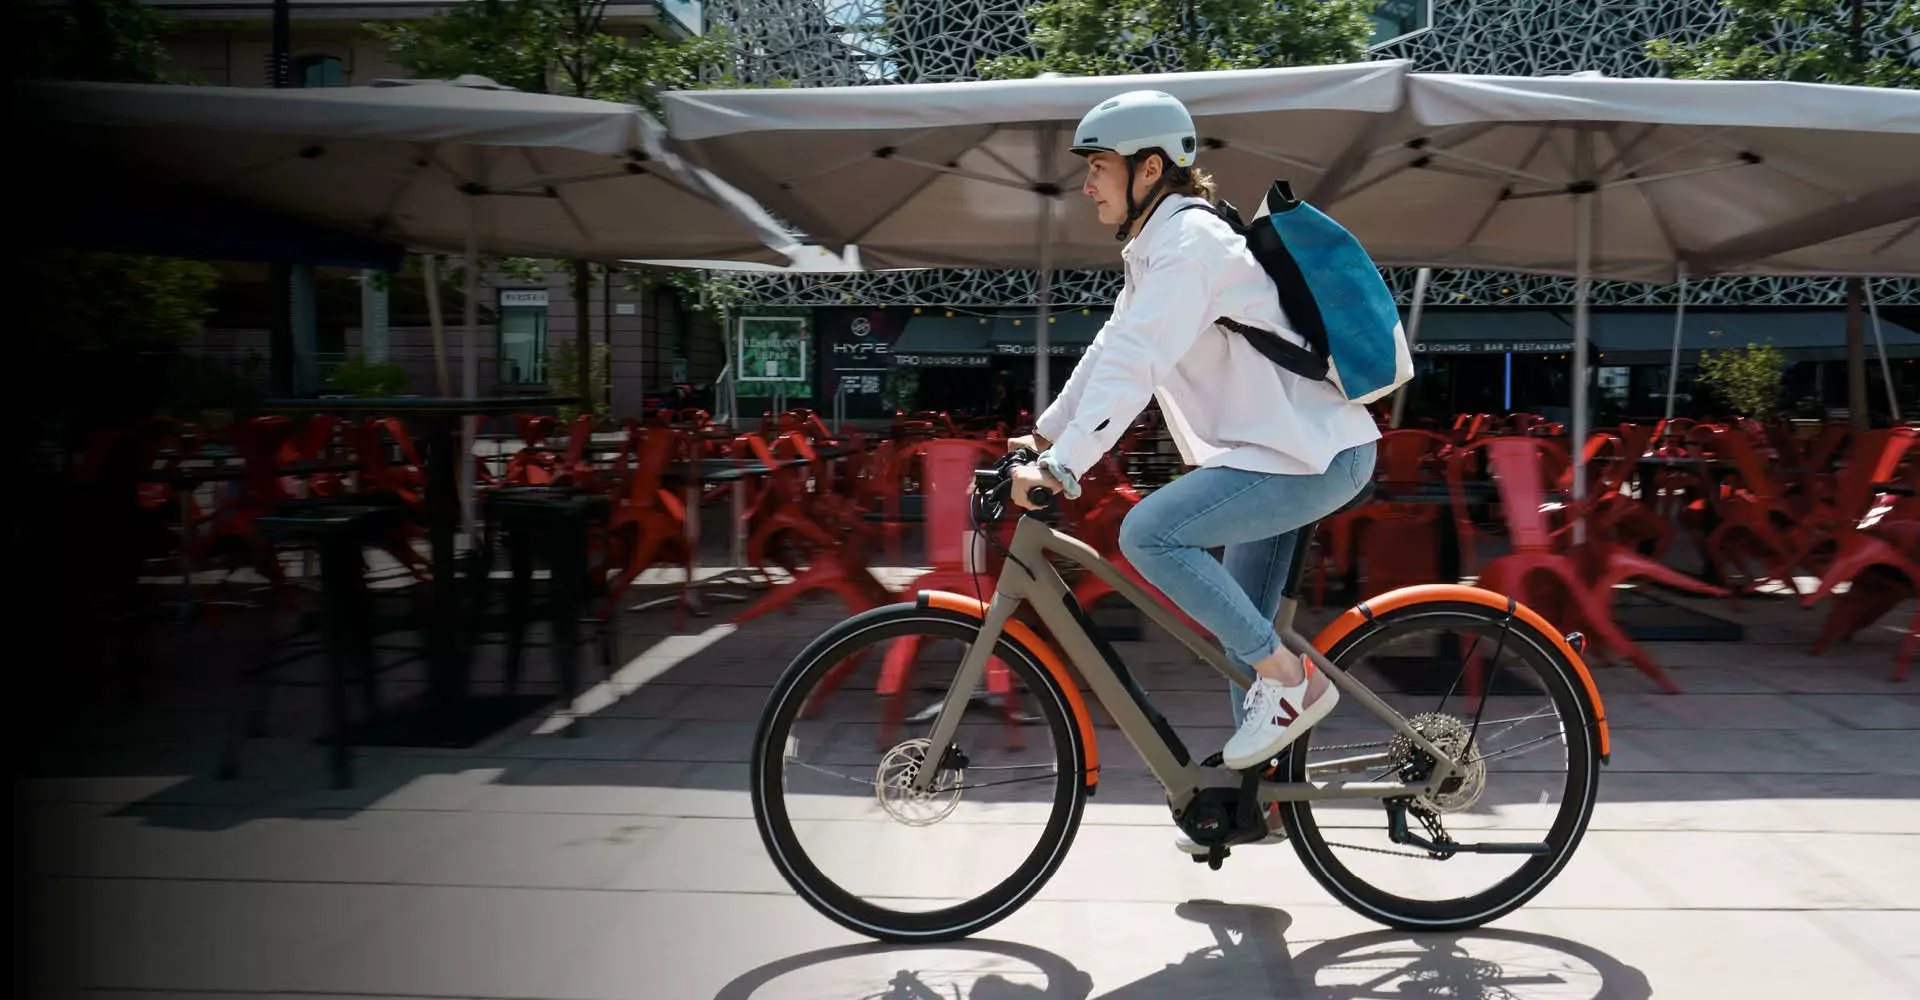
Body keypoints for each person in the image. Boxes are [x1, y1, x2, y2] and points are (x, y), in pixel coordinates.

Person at [1006, 90, 1380, 853]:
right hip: (1281, 454)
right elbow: (1109, 354)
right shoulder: (1158, 249)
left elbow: (1138, 365)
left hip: (1313, 457)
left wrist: (1066, 467)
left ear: (1151, 168)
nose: (1087, 185)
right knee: (1237, 643)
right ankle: (1258, 805)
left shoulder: (1191, 248)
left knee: (1150, 534)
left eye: (1099, 167)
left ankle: (1298, 683)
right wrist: (1041, 438)